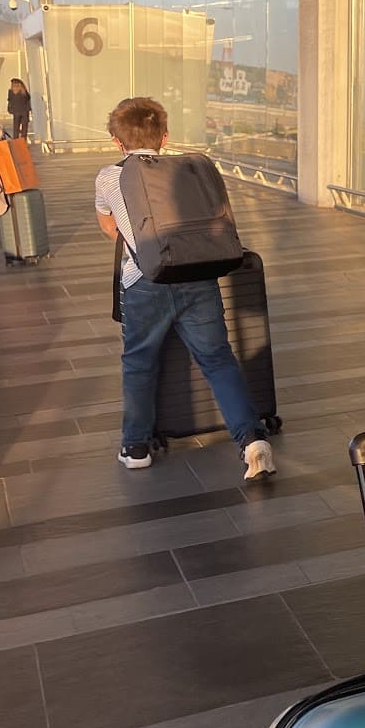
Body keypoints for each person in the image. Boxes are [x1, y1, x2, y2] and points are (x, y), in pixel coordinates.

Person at [95, 96, 276, 480]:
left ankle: (136, 445)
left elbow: (109, 228)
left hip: (145, 282)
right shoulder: (189, 170)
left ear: (117, 141)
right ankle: (251, 440)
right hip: (198, 275)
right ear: (164, 136)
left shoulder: (109, 177)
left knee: (140, 362)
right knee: (218, 359)